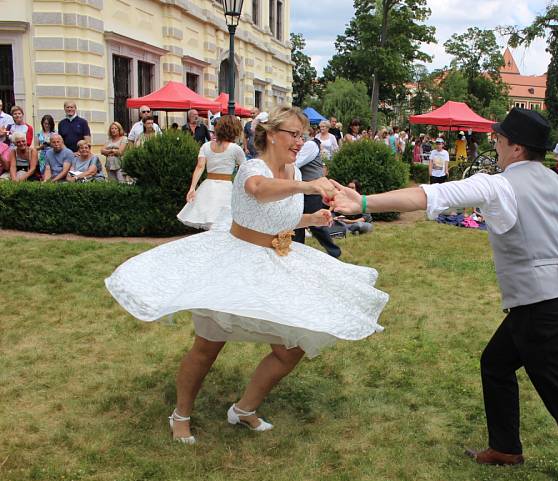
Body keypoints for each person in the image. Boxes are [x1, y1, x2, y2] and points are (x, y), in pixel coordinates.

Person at [330, 108, 558, 481]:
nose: (496, 145)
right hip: (551, 308)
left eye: (500, 140)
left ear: (516, 147)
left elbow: (429, 195)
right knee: (496, 364)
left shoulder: (500, 186)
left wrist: (363, 203)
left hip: (542, 315)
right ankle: (505, 448)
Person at [105, 105, 388, 445]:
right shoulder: (253, 167)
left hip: (276, 263)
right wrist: (309, 188)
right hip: (234, 265)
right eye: (294, 135)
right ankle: (180, 414)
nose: (300, 142)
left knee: (290, 350)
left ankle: (244, 409)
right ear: (270, 135)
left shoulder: (294, 172)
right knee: (207, 348)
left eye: (304, 135)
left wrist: (311, 221)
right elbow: (258, 190)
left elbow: (274, 216)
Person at [178, 115, 246, 230]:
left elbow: (200, 167)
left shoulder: (205, 146)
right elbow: (245, 169)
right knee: (225, 222)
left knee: (209, 219)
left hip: (208, 187)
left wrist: (192, 188)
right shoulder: (235, 149)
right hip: (226, 188)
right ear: (234, 130)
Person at [291, 134, 342, 258]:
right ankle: (296, 255)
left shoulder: (310, 145)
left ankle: (334, 252)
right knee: (296, 223)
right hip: (302, 190)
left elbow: (296, 163)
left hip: (313, 191)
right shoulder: (306, 144)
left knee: (317, 224)